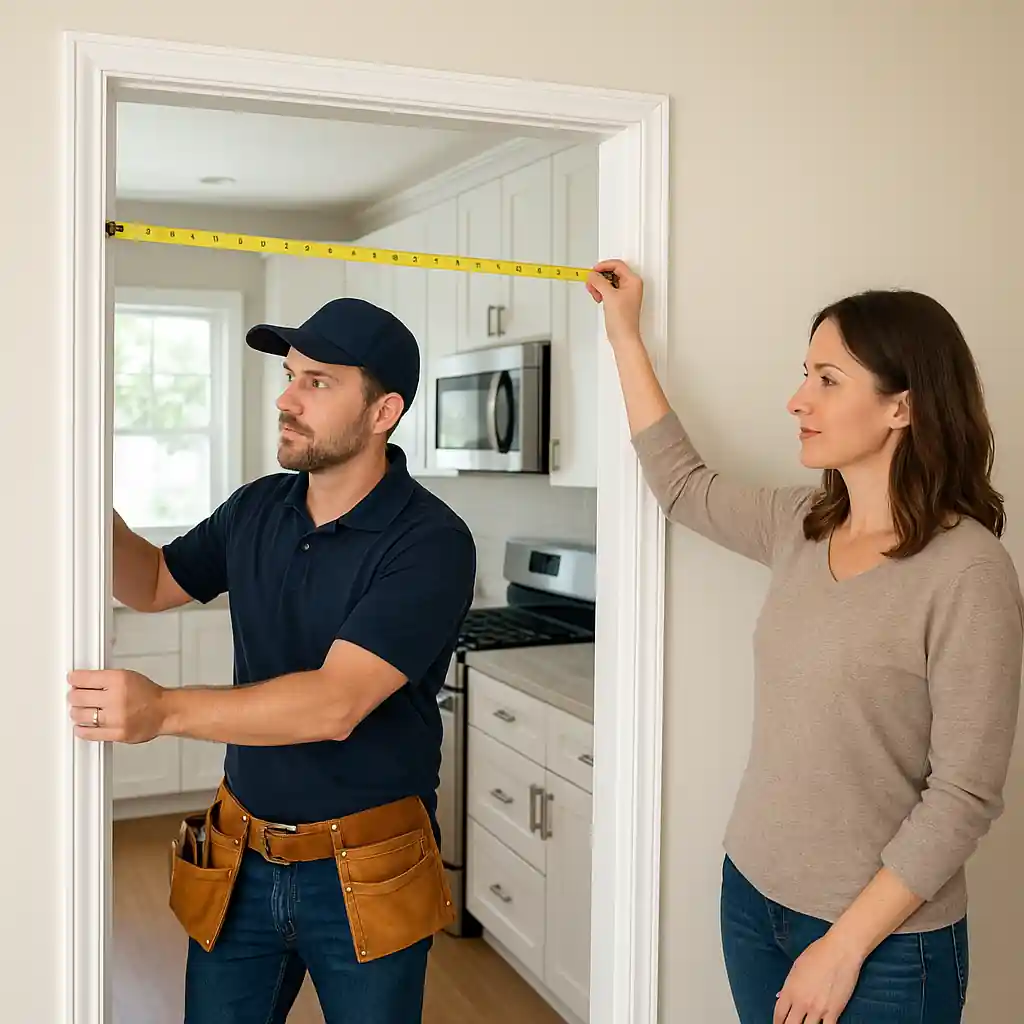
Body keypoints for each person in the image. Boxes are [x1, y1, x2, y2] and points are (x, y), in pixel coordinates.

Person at [586, 260, 1022, 1024]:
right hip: (753, 900)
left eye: (827, 379)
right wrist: (624, 333)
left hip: (884, 945)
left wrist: (843, 946)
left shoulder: (968, 572)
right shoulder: (799, 525)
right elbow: (681, 484)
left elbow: (964, 795)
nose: (798, 401)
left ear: (902, 407)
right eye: (805, 376)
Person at [67, 296, 477, 1024]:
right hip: (241, 856)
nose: (286, 399)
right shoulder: (258, 508)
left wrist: (162, 709)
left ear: (383, 412)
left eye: (318, 382)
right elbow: (155, 582)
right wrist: (77, 495)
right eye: (290, 376)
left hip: (371, 870)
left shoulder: (430, 542)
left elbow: (334, 704)